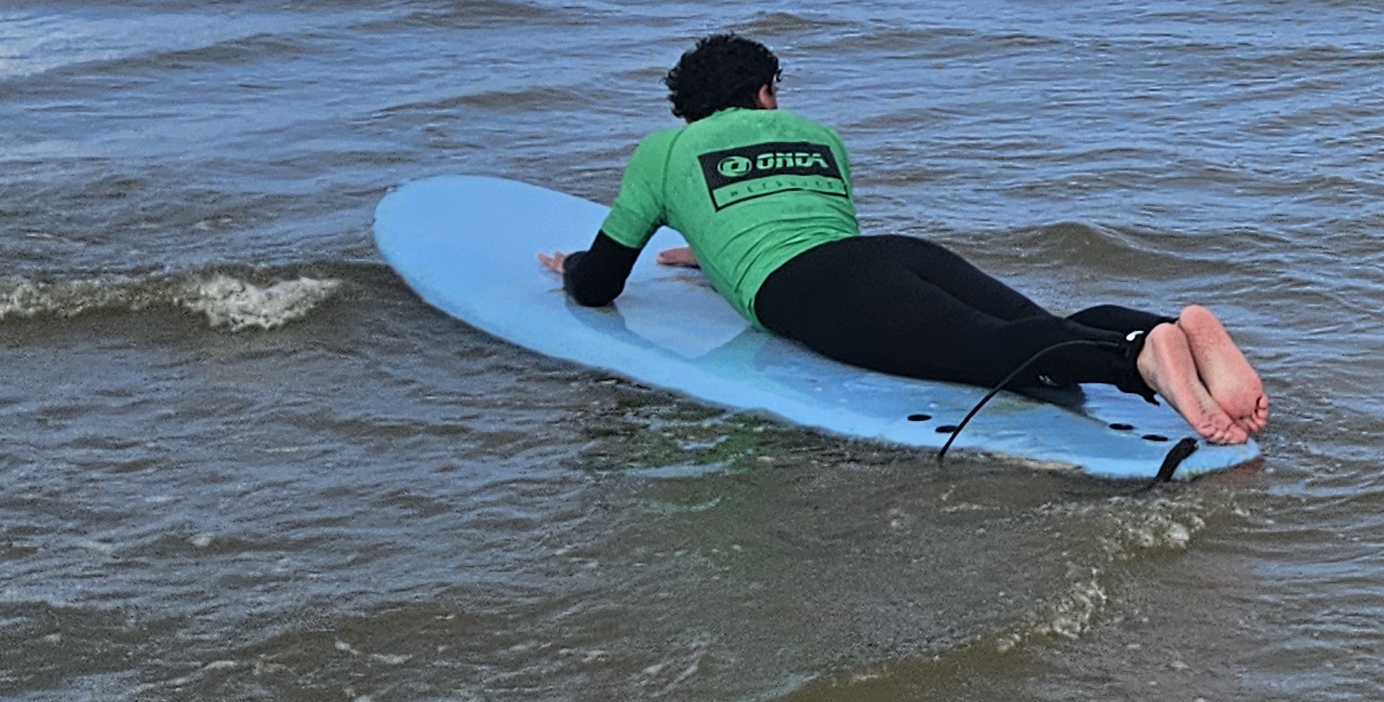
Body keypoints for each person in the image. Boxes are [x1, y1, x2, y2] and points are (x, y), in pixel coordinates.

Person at [542, 33, 1270, 444]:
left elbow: (602, 281)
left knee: (987, 355)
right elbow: (805, 224)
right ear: (766, 93)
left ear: (688, 107)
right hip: (895, 254)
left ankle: (1140, 358)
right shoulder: (817, 136)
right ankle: (1167, 329)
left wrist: (570, 267)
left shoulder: (664, 153)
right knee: (1032, 328)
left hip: (804, 286)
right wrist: (707, 252)